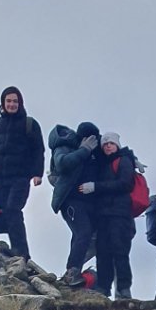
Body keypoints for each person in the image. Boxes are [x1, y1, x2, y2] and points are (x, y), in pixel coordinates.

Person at [0, 86, 45, 259]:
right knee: (2, 211)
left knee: (13, 210)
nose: (12, 104)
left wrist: (37, 174)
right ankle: (0, 245)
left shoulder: (29, 124)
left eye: (15, 101)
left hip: (20, 177)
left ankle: (21, 252)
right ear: (3, 103)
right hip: (0, 176)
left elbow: (38, 150)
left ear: (20, 103)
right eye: (8, 101)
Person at [82, 132, 136, 299]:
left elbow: (125, 184)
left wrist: (96, 187)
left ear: (117, 145)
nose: (108, 146)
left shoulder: (124, 160)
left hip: (120, 215)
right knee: (103, 252)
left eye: (111, 143)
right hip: (103, 215)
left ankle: (123, 289)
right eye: (105, 144)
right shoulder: (102, 163)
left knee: (120, 252)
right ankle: (104, 288)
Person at [49, 122, 100, 287]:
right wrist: (84, 150)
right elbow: (62, 164)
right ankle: (72, 271)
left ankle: (75, 274)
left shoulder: (94, 151)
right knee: (83, 232)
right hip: (70, 199)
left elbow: (113, 153)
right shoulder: (65, 146)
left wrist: (131, 158)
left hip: (89, 201)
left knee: (84, 235)